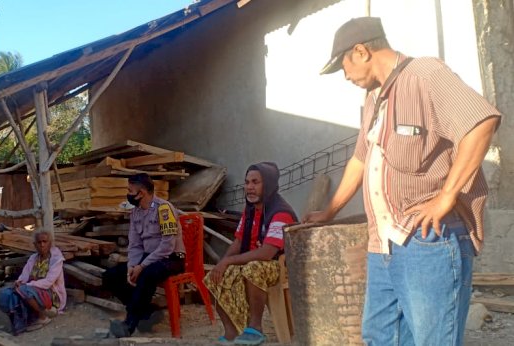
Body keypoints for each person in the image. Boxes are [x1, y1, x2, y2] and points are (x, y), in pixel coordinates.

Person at [306, 17, 501, 345]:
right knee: (380, 337)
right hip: (383, 244)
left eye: (343, 66)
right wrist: (329, 212)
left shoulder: (425, 75)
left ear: (361, 51)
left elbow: (481, 121)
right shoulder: (373, 99)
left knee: (431, 340)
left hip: (427, 242)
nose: (345, 76)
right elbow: (360, 159)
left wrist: (446, 197)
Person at [203, 162, 297, 345]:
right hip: (255, 261)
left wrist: (229, 261)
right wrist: (222, 263)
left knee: (253, 268)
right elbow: (238, 241)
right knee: (212, 277)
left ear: (267, 185)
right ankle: (231, 332)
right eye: (247, 182)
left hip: (280, 265)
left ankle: (255, 328)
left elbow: (267, 253)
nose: (249, 187)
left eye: (255, 182)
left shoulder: (280, 212)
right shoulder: (250, 210)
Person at [102, 173, 186, 338]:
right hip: (149, 257)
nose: (128, 194)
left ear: (142, 193)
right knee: (110, 276)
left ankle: (129, 324)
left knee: (147, 274)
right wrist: (131, 267)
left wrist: (141, 266)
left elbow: (167, 247)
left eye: (130, 190)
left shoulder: (164, 209)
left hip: (172, 258)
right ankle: (147, 313)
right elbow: (134, 244)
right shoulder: (135, 212)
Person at [6, 230, 67, 332]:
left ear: (50, 243)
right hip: (34, 290)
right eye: (39, 242)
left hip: (51, 294)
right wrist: (20, 281)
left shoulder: (56, 259)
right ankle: (20, 319)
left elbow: (48, 282)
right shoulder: (33, 258)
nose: (42, 245)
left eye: (45, 241)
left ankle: (43, 317)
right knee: (7, 293)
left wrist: (28, 285)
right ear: (35, 245)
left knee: (25, 290)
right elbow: (24, 275)